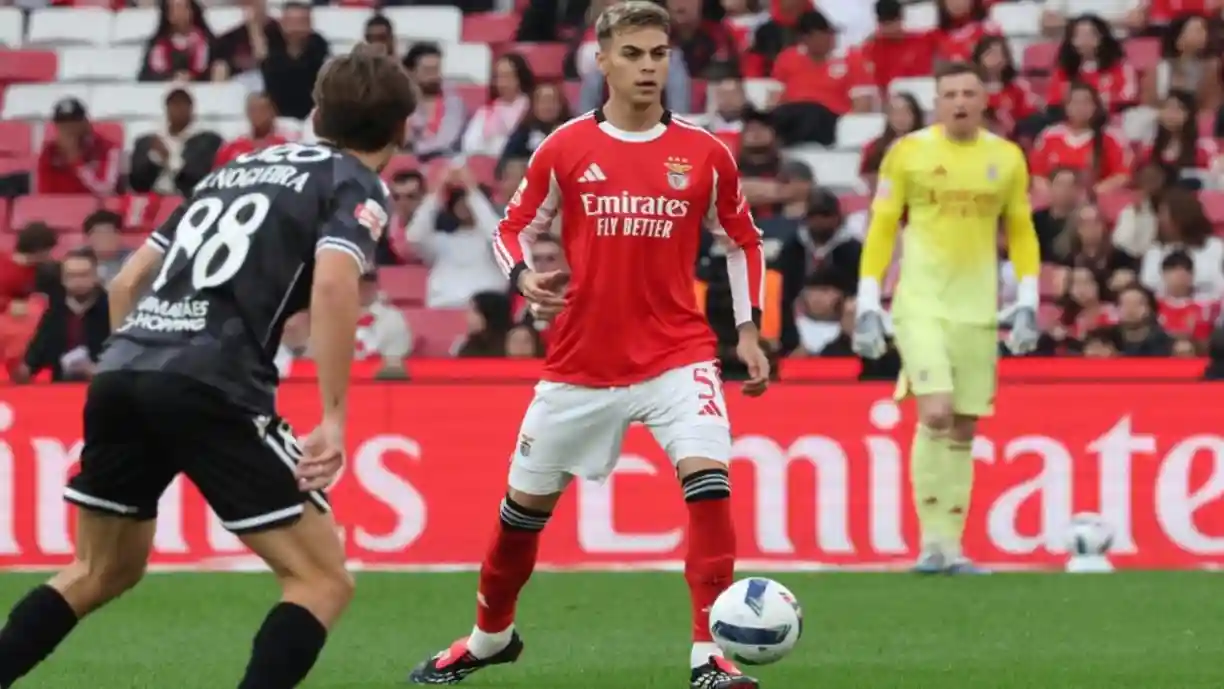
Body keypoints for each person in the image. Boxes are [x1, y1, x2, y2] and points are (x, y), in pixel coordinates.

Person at [0, 46, 416, 689]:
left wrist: (135, 363)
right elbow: (336, 283)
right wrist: (333, 418)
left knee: (98, 570)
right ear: (401, 129)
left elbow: (128, 280)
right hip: (212, 381)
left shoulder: (235, 169)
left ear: (314, 113)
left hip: (125, 369)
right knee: (321, 580)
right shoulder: (354, 182)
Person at [407, 3, 769, 688]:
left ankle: (707, 655)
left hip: (678, 353)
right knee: (520, 516)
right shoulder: (565, 148)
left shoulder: (705, 153)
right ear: (601, 62)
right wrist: (521, 275)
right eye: (632, 54)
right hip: (581, 363)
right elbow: (510, 228)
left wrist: (746, 328)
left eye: (658, 54)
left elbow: (742, 239)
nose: (647, 67)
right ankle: (490, 638)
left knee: (709, 483)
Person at [852, 61, 1041, 575]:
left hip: (977, 308)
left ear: (984, 101)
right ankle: (931, 543)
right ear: (936, 102)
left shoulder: (1005, 158)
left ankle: (946, 546)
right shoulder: (909, 152)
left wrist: (1027, 297)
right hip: (921, 303)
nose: (959, 100)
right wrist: (870, 300)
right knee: (934, 411)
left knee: (962, 426)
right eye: (950, 92)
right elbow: (883, 226)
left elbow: (1021, 230)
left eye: (969, 92)